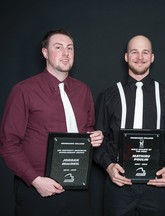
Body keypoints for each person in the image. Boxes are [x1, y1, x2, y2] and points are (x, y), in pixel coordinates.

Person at [0, 29, 103, 216]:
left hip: (78, 188)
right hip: (37, 190)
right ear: (45, 53)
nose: (66, 53)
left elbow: (87, 130)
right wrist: (35, 180)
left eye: (70, 48)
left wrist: (94, 137)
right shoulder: (24, 90)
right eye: (58, 47)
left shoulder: (83, 91)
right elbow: (8, 144)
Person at [94, 35, 165, 216]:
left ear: (152, 57)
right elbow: (97, 142)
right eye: (134, 52)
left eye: (145, 52)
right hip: (119, 186)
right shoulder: (108, 95)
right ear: (126, 56)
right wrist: (108, 167)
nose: (140, 57)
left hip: (156, 186)